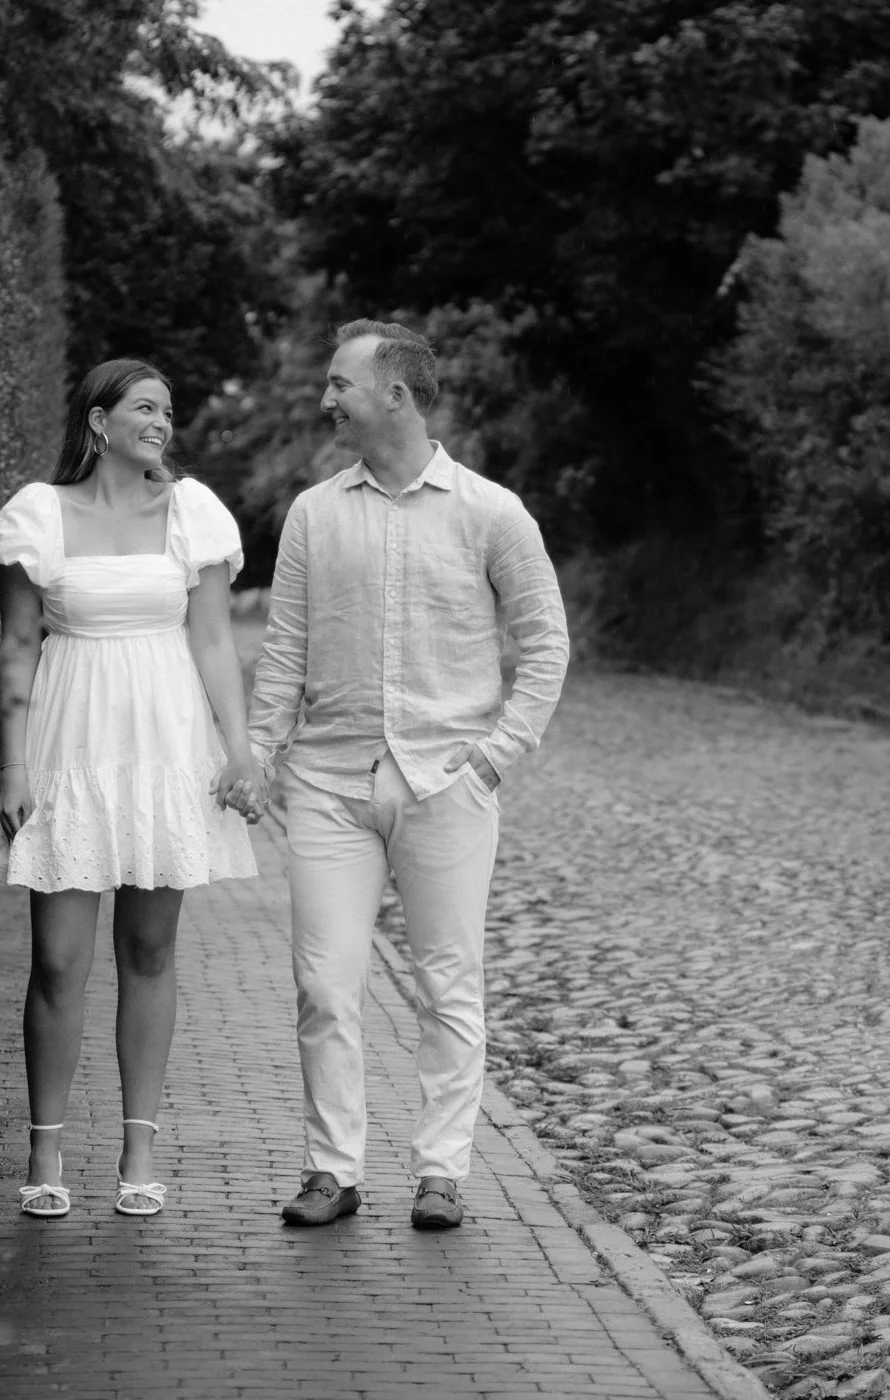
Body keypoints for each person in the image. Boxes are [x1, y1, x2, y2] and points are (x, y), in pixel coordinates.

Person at [248, 320, 569, 1230]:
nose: (325, 398)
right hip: (330, 783)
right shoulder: (314, 514)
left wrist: (495, 757)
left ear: (395, 394)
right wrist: (260, 753)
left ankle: (441, 1173)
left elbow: (546, 644)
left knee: (448, 985)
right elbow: (284, 650)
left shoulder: (491, 511)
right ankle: (332, 1172)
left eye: (338, 383)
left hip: (447, 782)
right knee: (324, 986)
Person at [0, 358, 263, 1219]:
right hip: (69, 745)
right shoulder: (38, 514)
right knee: (58, 960)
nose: (162, 422)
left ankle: (140, 1154)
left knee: (149, 952)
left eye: (168, 410)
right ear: (100, 422)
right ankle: (46, 1154)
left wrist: (240, 752)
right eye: (145, 407)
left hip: (165, 748)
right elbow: (17, 648)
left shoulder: (192, 511)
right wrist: (14, 766)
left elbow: (213, 641)